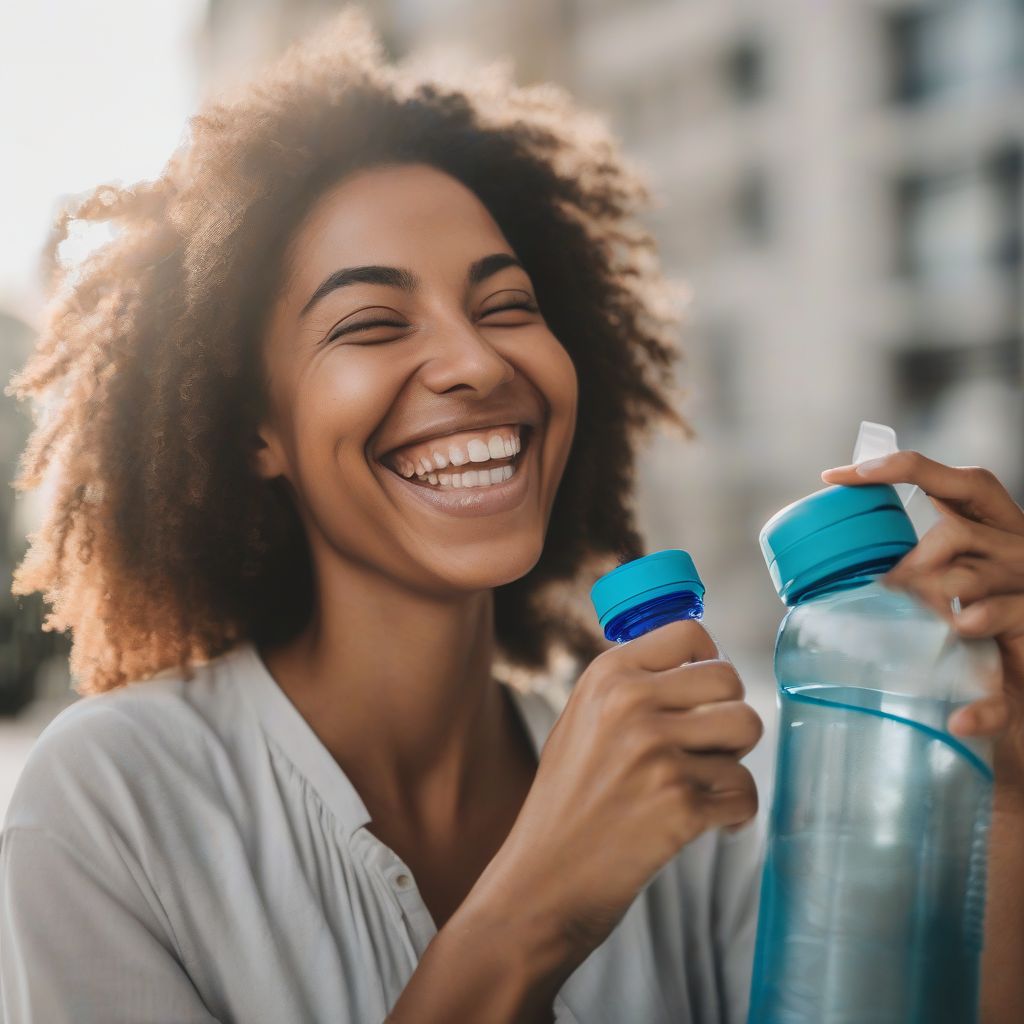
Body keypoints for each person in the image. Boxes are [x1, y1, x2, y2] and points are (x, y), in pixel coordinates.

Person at [3, 7, 1024, 1023]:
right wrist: (536, 909)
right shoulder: (106, 805)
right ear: (250, 429)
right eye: (370, 323)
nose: (479, 361)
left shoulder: (680, 779)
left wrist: (1009, 781)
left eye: (506, 306)